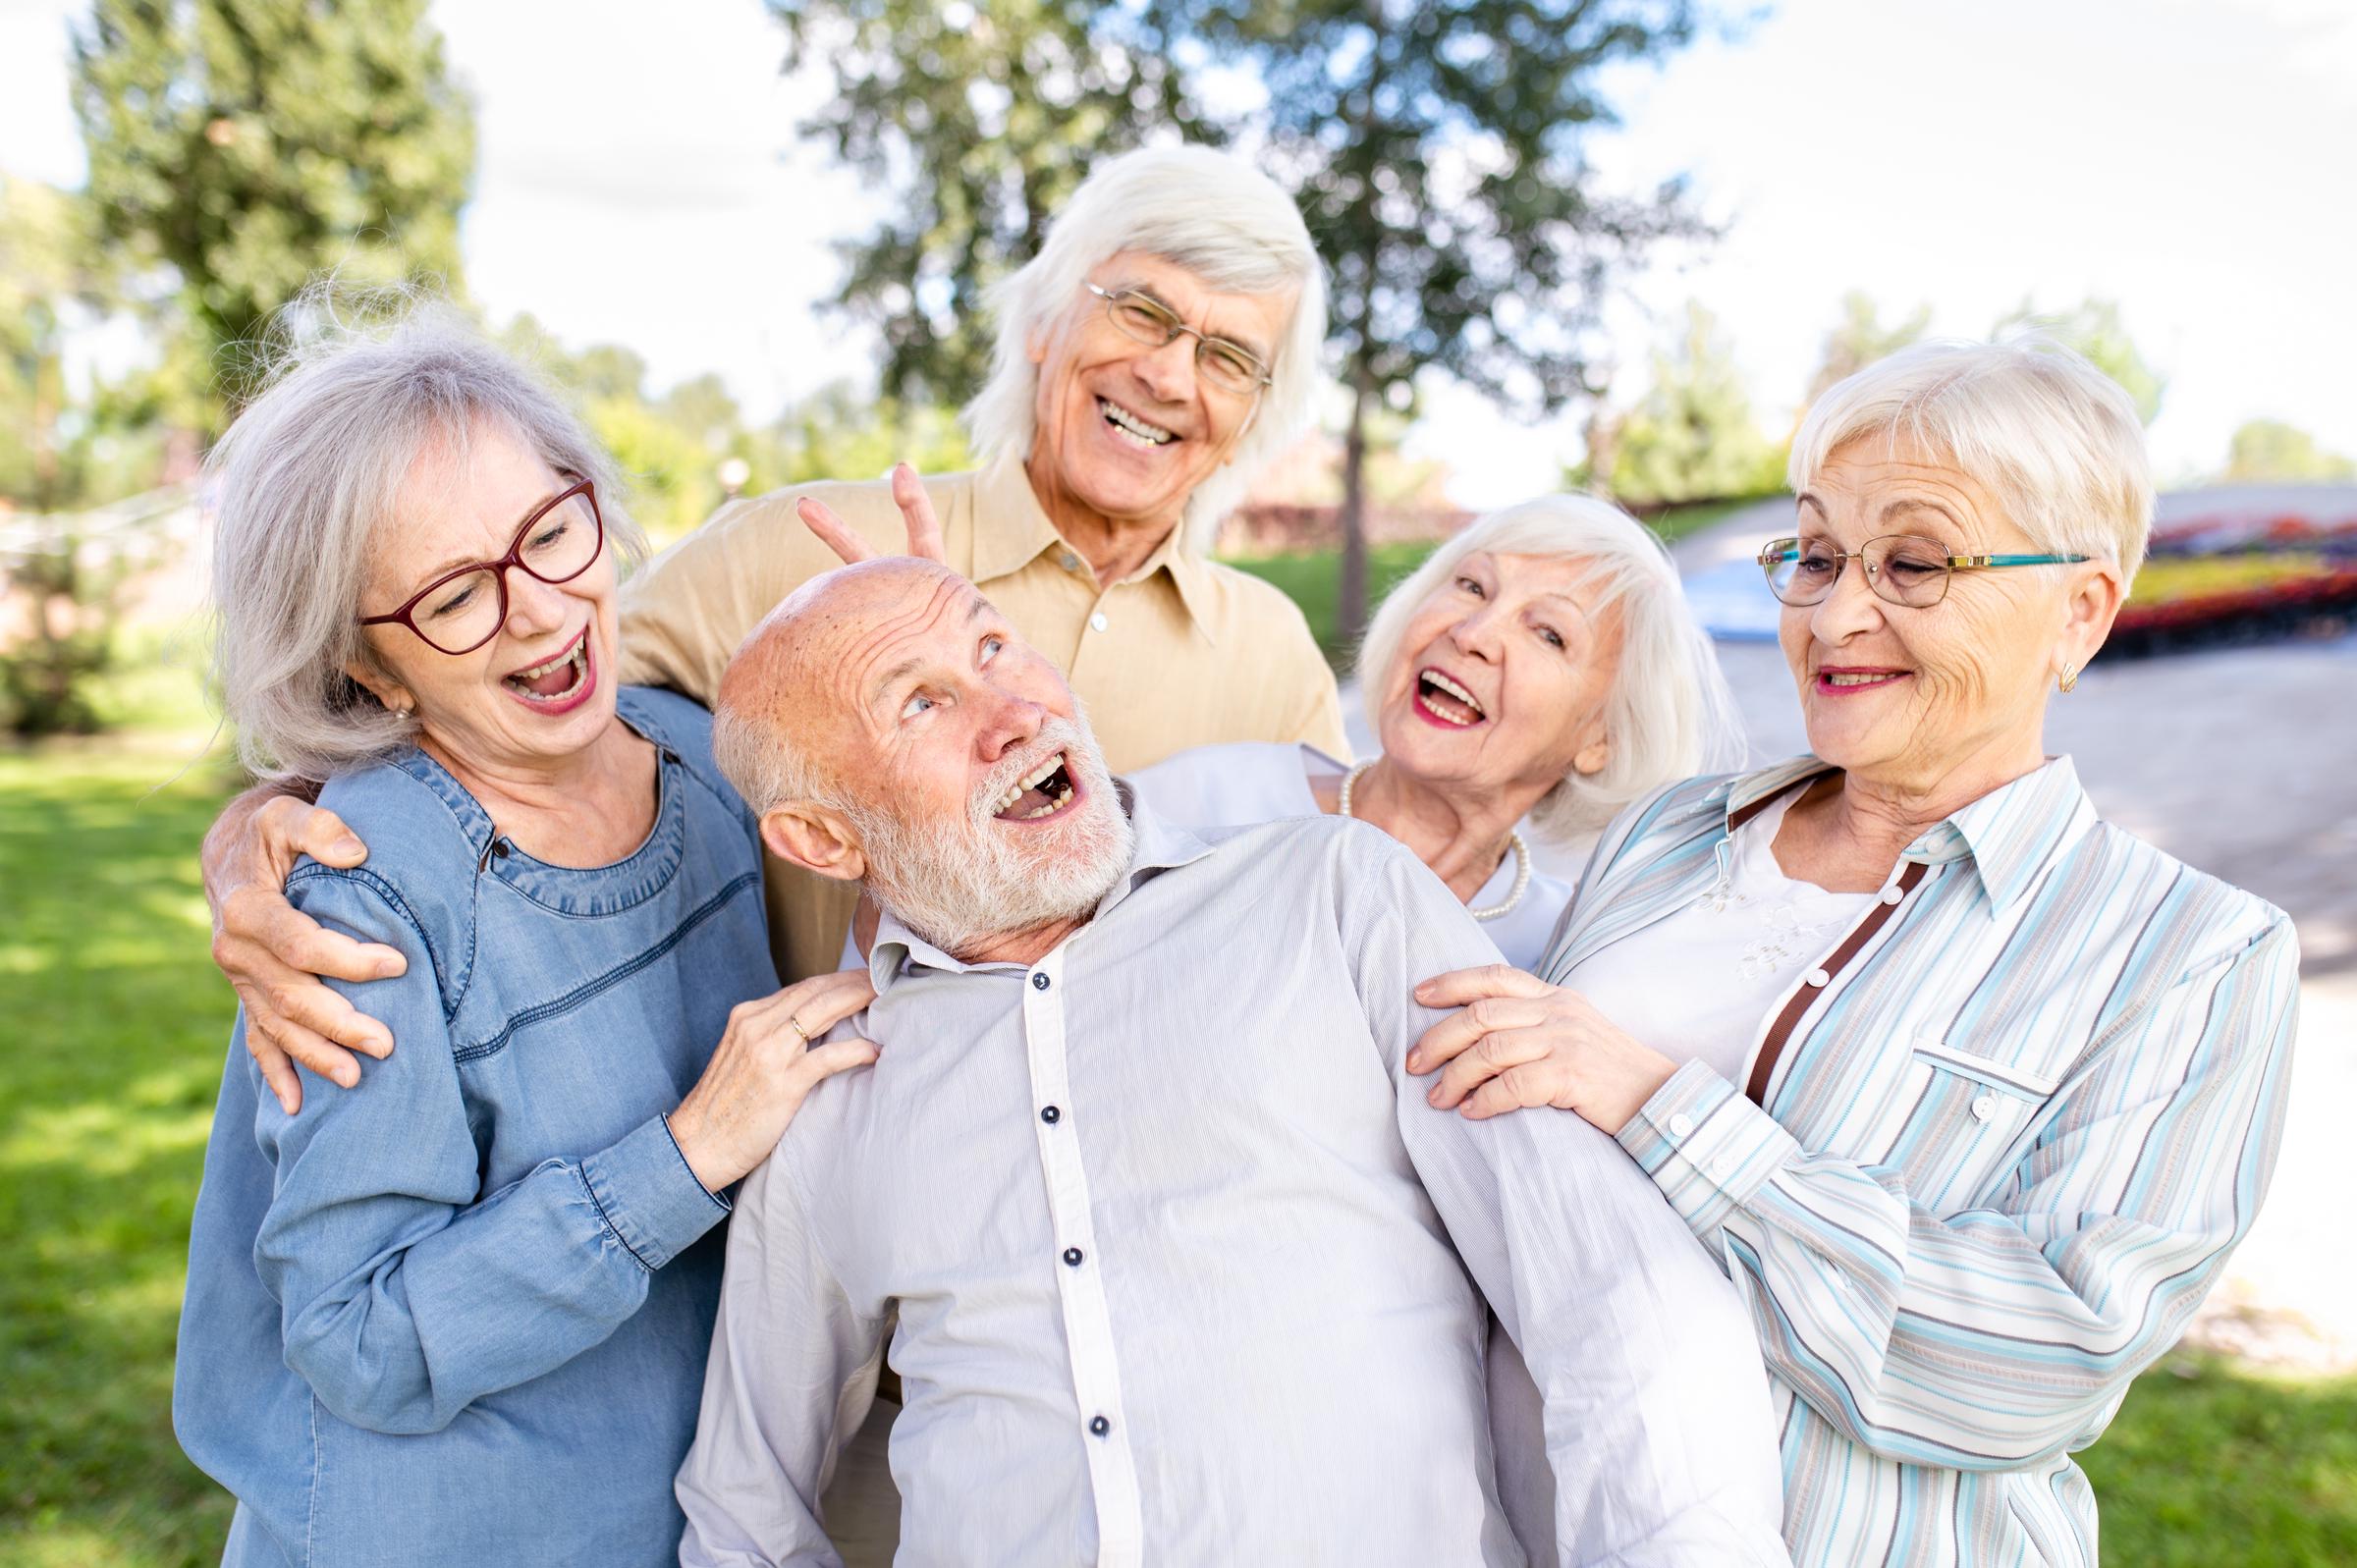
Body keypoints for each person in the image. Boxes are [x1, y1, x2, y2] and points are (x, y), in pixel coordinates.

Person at [674, 550, 1790, 1567]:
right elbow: (741, 1509)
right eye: (921, 701)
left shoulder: (1334, 894)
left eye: (994, 645)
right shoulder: (829, 1095)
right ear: (825, 840)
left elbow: (1611, 1292)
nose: (1013, 712)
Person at [198, 144, 1351, 1118]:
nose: (1166, 373)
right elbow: (475, 681)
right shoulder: (788, 555)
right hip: (806, 1235)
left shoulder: (1272, 661)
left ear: (1255, 412)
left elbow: (1342, 951)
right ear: (1046, 322)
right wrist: (263, 830)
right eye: (1141, 309)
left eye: (1229, 355)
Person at [1409, 339, 2302, 1566]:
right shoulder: (1671, 833)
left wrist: (1662, 1110)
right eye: (1818, 554)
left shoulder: (2192, 955)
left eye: (1916, 562)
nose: (1835, 614)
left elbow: (2039, 1365)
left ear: (2080, 610)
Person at [173, 312, 877, 1566]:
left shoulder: (706, 757)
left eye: (551, 532)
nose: (539, 612)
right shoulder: (362, 891)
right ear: (369, 669)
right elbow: (358, 1336)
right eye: (452, 595)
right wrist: (689, 1150)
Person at [1135, 492, 1743, 967]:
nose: (1472, 633)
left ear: (1602, 739)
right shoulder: (1203, 800)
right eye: (1472, 585)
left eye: (1548, 633)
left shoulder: (1557, 958)